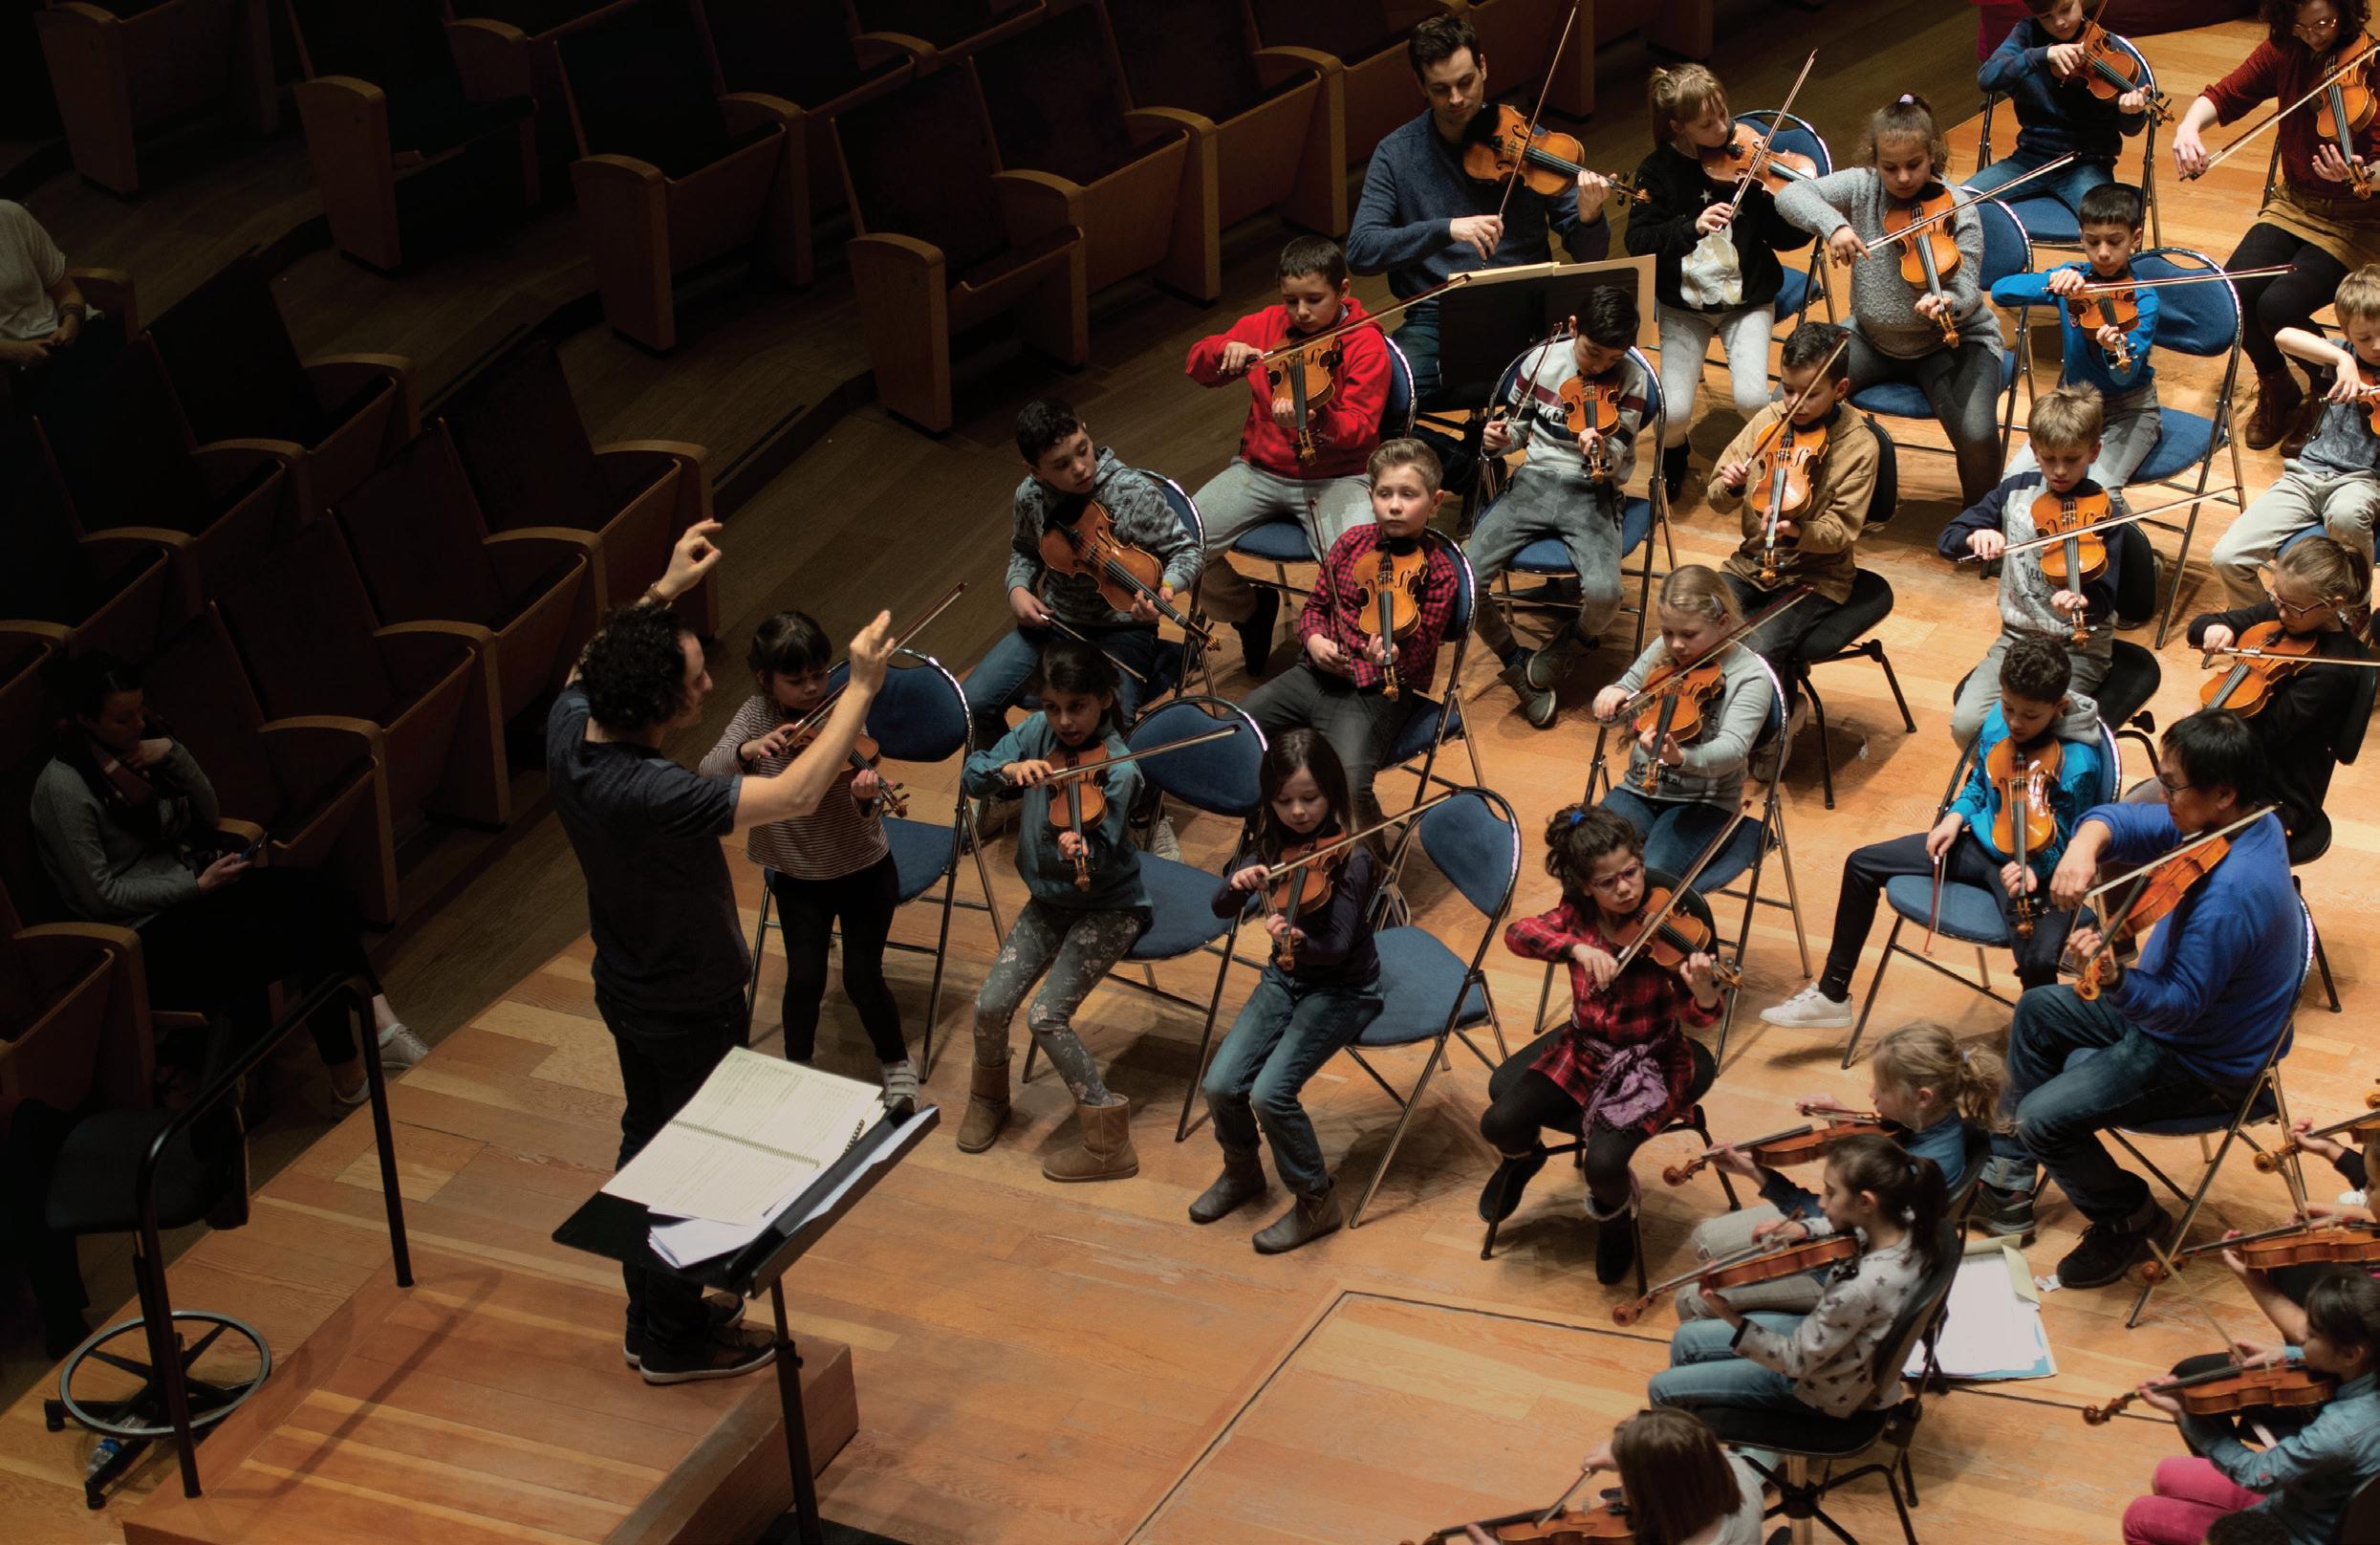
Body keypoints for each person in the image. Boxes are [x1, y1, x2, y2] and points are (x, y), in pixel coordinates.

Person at [550, 520, 895, 1384]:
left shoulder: (570, 724)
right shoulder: (652, 789)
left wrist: (664, 589)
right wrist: (859, 686)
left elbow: (592, 658)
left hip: (626, 979)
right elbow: (800, 792)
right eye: (695, 681)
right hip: (683, 998)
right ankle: (672, 1340)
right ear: (658, 705)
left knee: (650, 1143)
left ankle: (652, 1319)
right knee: (690, 1165)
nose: (708, 685)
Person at [1971, 711, 2303, 1283]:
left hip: (2203, 1059)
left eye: (2172, 785)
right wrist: (2084, 847)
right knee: (2038, 1009)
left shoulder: (2233, 894)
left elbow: (2177, 1007)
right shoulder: (2248, 820)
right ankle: (2011, 1177)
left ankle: (2130, 1218)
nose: (2163, 795)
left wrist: (2115, 979)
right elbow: (2124, 819)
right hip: (2183, 1020)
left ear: (2223, 793)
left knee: (2040, 1118)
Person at [29, 651, 426, 1107]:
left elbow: (208, 811)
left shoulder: (140, 752)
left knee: (327, 896)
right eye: (123, 719)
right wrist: (196, 886)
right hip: (145, 939)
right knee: (311, 933)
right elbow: (100, 895)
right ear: (85, 720)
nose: (139, 725)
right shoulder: (62, 789)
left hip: (194, 893)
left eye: (140, 711)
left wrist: (173, 752)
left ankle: (380, 1030)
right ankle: (353, 1073)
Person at [1764, 636, 2103, 1034]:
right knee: (1861, 864)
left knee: (2039, 960)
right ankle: (1832, 994)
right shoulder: (1998, 722)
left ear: (2058, 707)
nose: (2015, 722)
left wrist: (2036, 868)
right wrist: (1954, 818)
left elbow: (2072, 841)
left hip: (2027, 868)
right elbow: (1981, 782)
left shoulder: (2078, 763)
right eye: (2009, 707)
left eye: (2030, 716)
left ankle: (2044, 1041)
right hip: (1978, 845)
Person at [1477, 805, 1724, 1286]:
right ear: (1585, 886)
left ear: (1640, 861)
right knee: (1497, 1123)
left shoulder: (1672, 931)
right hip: (1583, 1050)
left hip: (1650, 1063)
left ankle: (1615, 1221)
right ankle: (1522, 1159)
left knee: (1604, 1165)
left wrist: (1706, 993)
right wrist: (1576, 948)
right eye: (1607, 882)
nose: (1626, 889)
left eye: (1631, 872)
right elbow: (1517, 934)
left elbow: (1700, 1018)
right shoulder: (1578, 918)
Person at [697, 610, 916, 1113]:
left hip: (863, 868)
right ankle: (797, 1068)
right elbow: (709, 773)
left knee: (863, 978)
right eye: (796, 681)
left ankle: (897, 1063)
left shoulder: (844, 708)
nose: (814, 688)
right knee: (804, 979)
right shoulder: (755, 715)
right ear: (765, 679)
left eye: (819, 674)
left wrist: (864, 799)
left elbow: (867, 816)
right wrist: (749, 751)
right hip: (798, 875)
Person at [1344, 15, 1611, 424]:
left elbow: (1591, 253)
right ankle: (1465, 459)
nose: (1456, 99)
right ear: (1420, 85)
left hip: (1529, 308)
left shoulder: (1528, 140)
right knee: (1384, 392)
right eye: (1440, 89)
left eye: (1465, 82)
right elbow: (1362, 251)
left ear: (1483, 67)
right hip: (1438, 318)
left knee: (1603, 381)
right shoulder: (1396, 154)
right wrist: (1446, 229)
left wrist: (1589, 219)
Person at [958, 641, 1149, 1184]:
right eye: (1052, 707)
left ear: (1105, 699)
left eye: (1077, 707)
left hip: (1109, 906)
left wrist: (1081, 849)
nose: (1064, 721)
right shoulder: (1036, 734)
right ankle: (989, 1099)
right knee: (990, 1005)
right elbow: (972, 775)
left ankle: (1109, 1143)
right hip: (1048, 901)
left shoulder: (1120, 770)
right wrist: (1008, 770)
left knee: (1046, 1016)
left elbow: (1106, 852)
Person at [1190, 730, 1382, 1253]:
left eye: (1310, 798)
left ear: (1332, 793)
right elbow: (1219, 908)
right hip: (1286, 976)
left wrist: (1297, 940)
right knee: (1220, 1084)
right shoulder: (1274, 846)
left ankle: (1317, 1200)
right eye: (1283, 801)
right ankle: (1243, 1171)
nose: (1297, 812)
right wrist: (1236, 884)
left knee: (1270, 1094)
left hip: (1344, 987)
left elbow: (1337, 945)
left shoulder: (1352, 857)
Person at [1677, 1023, 2003, 1321]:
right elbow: (1878, 1159)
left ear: (1922, 1097)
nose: (1872, 1094)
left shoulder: (1914, 1173)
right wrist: (1848, 1119)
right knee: (1706, 1239)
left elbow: (1834, 1226)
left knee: (1692, 1298)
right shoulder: (1934, 1125)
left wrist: (1757, 1173)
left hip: (1841, 1267)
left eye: (1883, 1088)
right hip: (1850, 1230)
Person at [2170, 0, 2380, 450]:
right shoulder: (2285, 50)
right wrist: (2189, 127)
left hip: (2360, 221)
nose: (2315, 35)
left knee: (2279, 306)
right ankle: (2277, 383)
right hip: (2295, 205)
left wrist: (2364, 173)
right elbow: (2225, 95)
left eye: (2324, 22)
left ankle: (2325, 388)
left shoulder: (2373, 65)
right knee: (2234, 293)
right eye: (2302, 26)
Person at [1776, 94, 2004, 508]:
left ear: (1932, 155)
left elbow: (1969, 289)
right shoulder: (1864, 187)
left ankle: (1982, 521)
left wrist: (1948, 301)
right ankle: (1797, 504)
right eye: (1890, 167)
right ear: (1875, 160)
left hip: (1951, 341)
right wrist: (1834, 226)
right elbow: (1789, 195)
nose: (1902, 178)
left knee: (1977, 433)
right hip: (1871, 337)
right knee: (1789, 401)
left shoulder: (1959, 208)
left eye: (1914, 165)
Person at [963, 397, 1199, 778]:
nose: (1080, 468)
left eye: (1082, 450)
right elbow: (1024, 550)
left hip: (1123, 631)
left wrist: (1166, 590)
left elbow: (1186, 550)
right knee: (975, 701)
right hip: (1054, 623)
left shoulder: (1133, 492)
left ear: (1085, 431)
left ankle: (1116, 798)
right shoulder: (1030, 496)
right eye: (1060, 465)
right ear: (1034, 470)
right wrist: (1018, 589)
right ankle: (1011, 784)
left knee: (1107, 725)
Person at [1186, 236, 1388, 676]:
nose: (1301, 312)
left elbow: (1360, 429)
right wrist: (1223, 352)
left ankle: (1337, 655)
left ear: (1343, 291)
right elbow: (1197, 365)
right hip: (1260, 471)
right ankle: (1249, 610)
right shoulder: (1266, 326)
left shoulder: (1364, 343)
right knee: (1177, 541)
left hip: (1338, 477)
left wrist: (1317, 419)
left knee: (1359, 566)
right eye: (1291, 300)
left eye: (1314, 300)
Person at [1241, 438, 1461, 826]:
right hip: (1313, 675)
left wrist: (1389, 658)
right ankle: (1272, 835)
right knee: (1238, 731)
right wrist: (1314, 640)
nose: (1394, 505)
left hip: (1375, 693)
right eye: (1384, 494)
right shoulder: (1350, 543)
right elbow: (1316, 608)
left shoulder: (1439, 573)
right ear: (1370, 496)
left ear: (1436, 501)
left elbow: (1420, 652)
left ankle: (1367, 858)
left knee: (1348, 785)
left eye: (1408, 495)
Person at [1648, 1134, 1944, 1420]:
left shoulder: (1857, 1289)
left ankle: (1688, 1442)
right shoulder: (1907, 1220)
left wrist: (1726, 1313)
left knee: (1662, 1388)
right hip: (1839, 1347)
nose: (1823, 1203)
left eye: (1830, 1192)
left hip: (1818, 1388)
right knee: (1686, 1340)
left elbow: (1793, 1360)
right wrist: (1804, 1229)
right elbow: (1852, 1230)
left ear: (1866, 1202)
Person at [1466, 284, 1650, 727]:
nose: (1600, 367)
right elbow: (1516, 431)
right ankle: (1516, 665)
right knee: (1466, 584)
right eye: (1592, 353)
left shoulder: (1632, 378)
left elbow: (1620, 450)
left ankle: (1571, 645)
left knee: (1606, 594)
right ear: (1573, 327)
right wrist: (1497, 439)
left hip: (1592, 489)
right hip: (1533, 481)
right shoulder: (1540, 361)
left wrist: (1602, 449)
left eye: (1612, 358)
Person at [1628, 63, 1808, 498]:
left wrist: (1781, 199)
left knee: (1752, 400)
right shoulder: (1657, 172)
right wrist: (1690, 227)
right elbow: (1638, 241)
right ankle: (1675, 453)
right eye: (1707, 124)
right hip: (1683, 307)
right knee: (1672, 414)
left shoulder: (1746, 159)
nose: (1724, 128)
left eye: (1724, 113)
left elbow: (1787, 240)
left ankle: (1760, 462)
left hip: (1747, 302)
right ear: (1679, 127)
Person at [2120, 1268, 2380, 1545]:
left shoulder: (2338, 1433)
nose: (2301, 1334)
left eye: (2313, 1334)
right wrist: (2286, 1354)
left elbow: (2255, 1473)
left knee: (2137, 1519)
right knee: (2166, 1474)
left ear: (2350, 1354)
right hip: (2310, 1500)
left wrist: (2184, 1414)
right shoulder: (2368, 1362)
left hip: (2295, 1530)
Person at [1705, 320, 1882, 717]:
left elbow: (1841, 530)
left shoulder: (1859, 445)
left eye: (1810, 394)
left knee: (1758, 647)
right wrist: (1730, 486)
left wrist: (1797, 531)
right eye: (1787, 390)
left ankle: (1775, 725)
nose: (1793, 404)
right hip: (1750, 564)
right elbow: (1716, 499)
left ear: (1840, 389)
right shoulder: (1767, 421)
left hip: (1816, 577)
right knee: (1696, 623)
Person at [1936, 385, 2123, 747]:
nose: (2059, 471)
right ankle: (1994, 779)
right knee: (1966, 724)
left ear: (2094, 452)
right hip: (2017, 640)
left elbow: (2108, 595)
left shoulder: (2105, 512)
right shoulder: (2014, 492)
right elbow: (1948, 539)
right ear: (2034, 450)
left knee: (2039, 732)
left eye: (2072, 459)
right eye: (2049, 458)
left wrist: (2083, 602)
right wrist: (1974, 536)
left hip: (2077, 647)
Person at [2185, 534, 2370, 863]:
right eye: (2277, 598)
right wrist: (2213, 628)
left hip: (2277, 793)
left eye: (2292, 607)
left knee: (2179, 832)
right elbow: (2203, 626)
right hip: (2233, 766)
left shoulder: (2334, 670)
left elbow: (2266, 733)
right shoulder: (2279, 615)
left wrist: (2206, 728)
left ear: (2333, 604)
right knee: (2155, 809)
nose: (2280, 612)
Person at [1588, 565, 1773, 876]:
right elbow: (1625, 697)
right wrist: (1609, 699)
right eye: (1668, 632)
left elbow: (1733, 750)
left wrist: (1680, 758)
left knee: (1652, 874)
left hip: (1705, 803)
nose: (1675, 644)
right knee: (1586, 860)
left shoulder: (1749, 674)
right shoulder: (1662, 651)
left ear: (1723, 623)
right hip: (1638, 789)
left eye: (1689, 634)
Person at [2210, 267, 2380, 593]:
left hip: (2362, 481)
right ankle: (2262, 617)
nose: (2376, 346)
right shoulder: (2342, 356)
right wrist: (2342, 360)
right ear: (2347, 332)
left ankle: (2356, 603)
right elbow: (2283, 336)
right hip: (2304, 476)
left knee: (2346, 514)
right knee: (2227, 557)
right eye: (2364, 338)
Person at [1988, 182, 2163, 488]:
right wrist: (2054, 279)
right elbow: (2001, 292)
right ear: (2081, 236)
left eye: (2115, 242)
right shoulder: (2074, 283)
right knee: (2013, 483)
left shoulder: (2143, 299)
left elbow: (2124, 375)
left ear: (2135, 239)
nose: (2103, 253)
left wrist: (2111, 350)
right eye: (2093, 242)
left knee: (2100, 491)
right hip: (2074, 404)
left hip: (2128, 410)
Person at [1460, 1407, 1766, 1545]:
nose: (1623, 1486)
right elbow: (1690, 1455)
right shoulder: (1739, 1476)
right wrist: (1628, 1455)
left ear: (1653, 1495)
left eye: (1627, 1481)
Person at [1971, 0, 2153, 213]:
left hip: (2087, 165)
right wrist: (2042, 55)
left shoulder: (2110, 48)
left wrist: (2132, 114)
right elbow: (1987, 78)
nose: (2059, 22)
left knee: (2104, 219)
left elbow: (2132, 129)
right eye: (2046, 16)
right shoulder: (2027, 34)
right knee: (1958, 203)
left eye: (2065, 9)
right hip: (2028, 160)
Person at [0, 198, 113, 419]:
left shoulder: (10, 215)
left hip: (64, 335)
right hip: (16, 364)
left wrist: (71, 323)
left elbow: (67, 292)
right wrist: (14, 351)